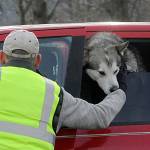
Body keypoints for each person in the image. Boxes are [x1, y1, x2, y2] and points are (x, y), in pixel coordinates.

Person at [0, 30, 127, 150]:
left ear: (1, 56)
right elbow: (100, 117)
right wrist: (120, 90)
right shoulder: (53, 93)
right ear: (38, 60)